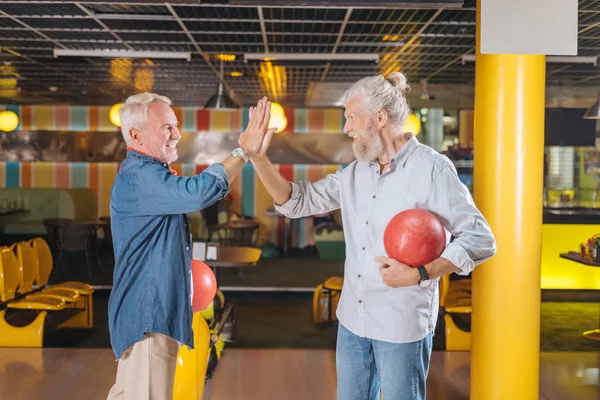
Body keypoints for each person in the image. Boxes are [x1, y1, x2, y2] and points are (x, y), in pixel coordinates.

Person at [249, 73, 497, 400]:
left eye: (352, 117)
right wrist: (257, 157)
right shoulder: (356, 171)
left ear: (380, 118)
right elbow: (298, 202)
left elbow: (479, 239)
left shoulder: (432, 169)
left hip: (401, 322)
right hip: (354, 319)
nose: (346, 127)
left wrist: (421, 273)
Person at [106, 93, 275, 399]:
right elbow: (196, 193)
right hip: (147, 314)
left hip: (156, 311)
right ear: (135, 135)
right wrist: (243, 151)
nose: (177, 135)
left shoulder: (149, 174)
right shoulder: (139, 177)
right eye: (166, 128)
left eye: (176, 126)